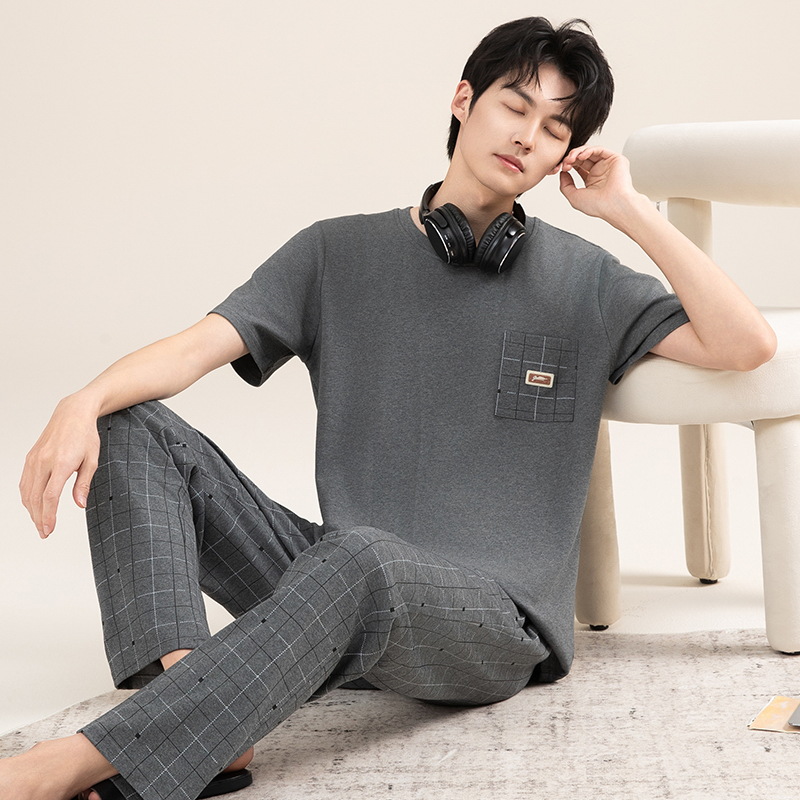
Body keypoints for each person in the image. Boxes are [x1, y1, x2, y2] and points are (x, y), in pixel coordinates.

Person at [4, 15, 775, 800]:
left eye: (554, 129)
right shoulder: (335, 252)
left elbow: (745, 343)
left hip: (489, 624)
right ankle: (197, 717)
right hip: (338, 587)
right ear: (463, 100)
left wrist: (629, 210)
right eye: (514, 106)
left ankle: (69, 764)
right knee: (128, 424)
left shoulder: (586, 280)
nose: (526, 136)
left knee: (362, 558)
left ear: (563, 157)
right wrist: (81, 399)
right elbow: (193, 348)